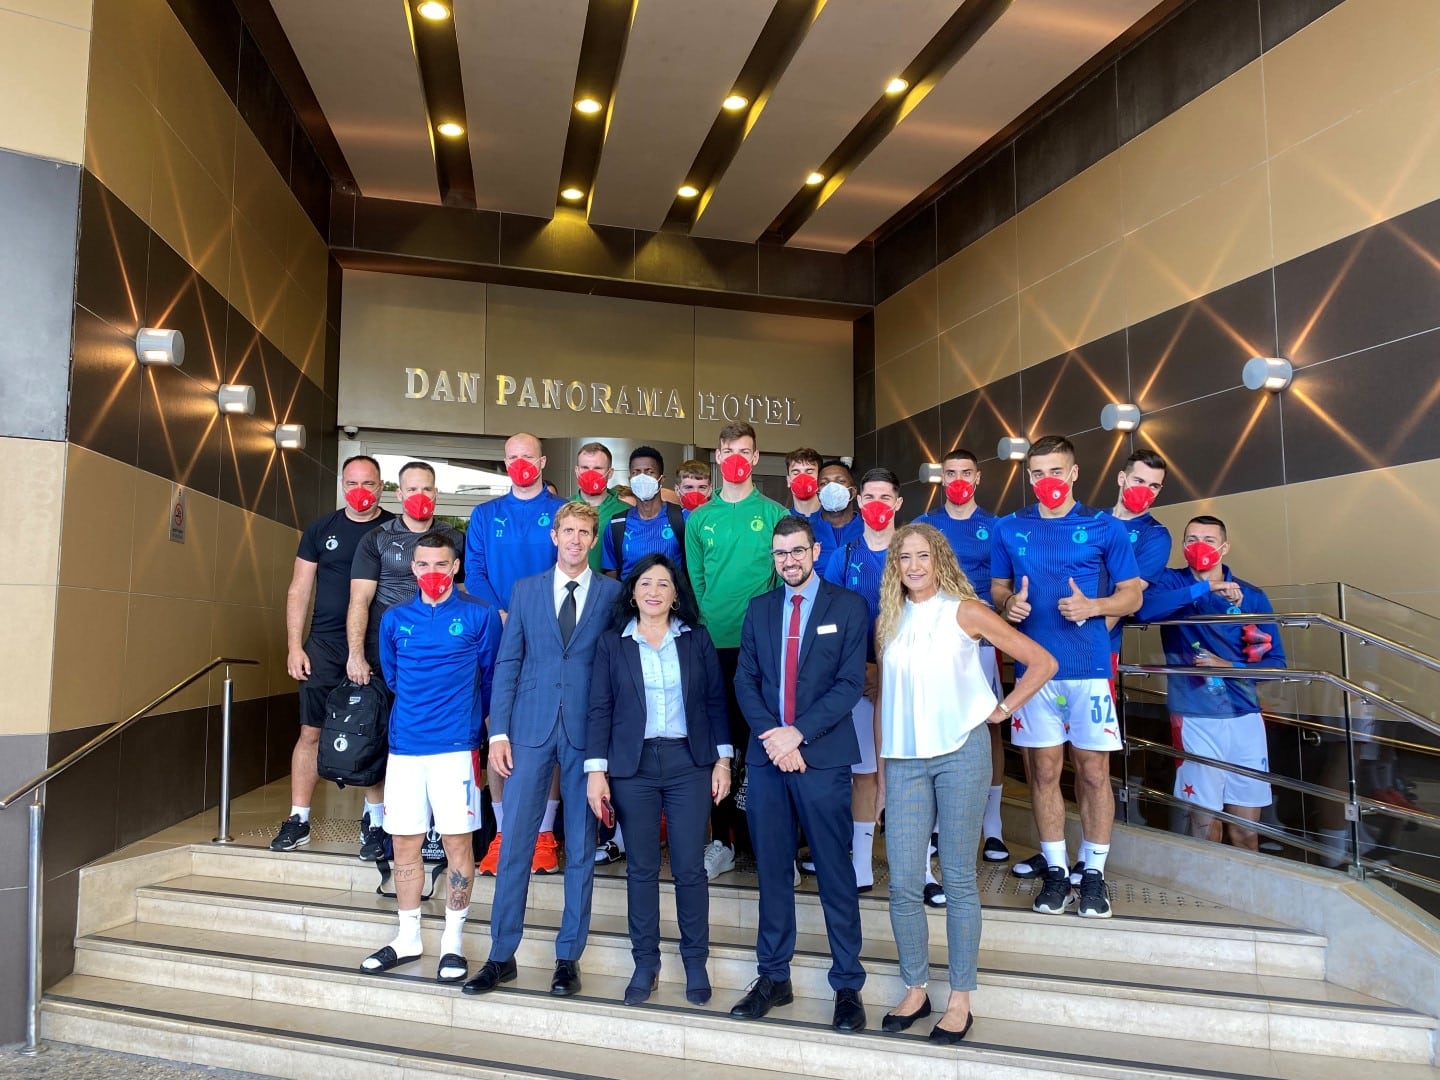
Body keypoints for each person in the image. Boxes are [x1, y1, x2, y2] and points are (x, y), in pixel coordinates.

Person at [875, 523, 1055, 1043]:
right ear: (895, 566)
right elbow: (885, 697)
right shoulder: (888, 619)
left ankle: (960, 998)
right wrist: (883, 775)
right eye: (904, 557)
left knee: (956, 877)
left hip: (961, 752)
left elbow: (1041, 661)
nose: (913, 566)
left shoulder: (966, 610)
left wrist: (1002, 709)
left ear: (940, 560)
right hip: (905, 760)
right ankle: (915, 988)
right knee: (904, 881)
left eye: (922, 556)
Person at [463, 502, 623, 998]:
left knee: (581, 847)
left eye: (584, 532)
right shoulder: (526, 590)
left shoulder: (612, 593)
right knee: (515, 842)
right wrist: (499, 732)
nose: (575, 539)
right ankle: (501, 955)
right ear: (554, 536)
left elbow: (618, 667)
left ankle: (568, 957)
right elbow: (509, 662)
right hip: (528, 730)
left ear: (593, 539)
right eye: (567, 530)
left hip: (586, 734)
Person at [991, 436, 1141, 919]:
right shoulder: (1008, 527)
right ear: (1028, 476)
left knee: (1094, 772)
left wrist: (1094, 606)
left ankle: (1093, 873)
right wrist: (1008, 605)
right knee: (1043, 771)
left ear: (1074, 473)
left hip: (1089, 669)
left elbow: (1132, 595)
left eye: (1056, 471)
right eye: (1038, 473)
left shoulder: (1104, 526)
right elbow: (998, 588)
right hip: (1033, 671)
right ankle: (1056, 870)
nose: (1047, 481)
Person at [730, 516, 869, 1033]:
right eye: (780, 553)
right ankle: (773, 977)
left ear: (814, 552)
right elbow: (745, 681)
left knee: (834, 871)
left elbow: (849, 683)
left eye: (796, 551)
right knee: (771, 871)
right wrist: (775, 737)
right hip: (769, 757)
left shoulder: (847, 606)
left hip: (821, 757)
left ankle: (848, 984)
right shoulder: (760, 608)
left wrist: (798, 734)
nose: (788, 560)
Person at [584, 555, 732, 1005]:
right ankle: (645, 963)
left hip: (690, 763)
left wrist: (723, 761)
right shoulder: (613, 643)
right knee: (642, 869)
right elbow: (600, 708)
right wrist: (596, 772)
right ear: (632, 593)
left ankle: (695, 961)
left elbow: (715, 701)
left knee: (690, 868)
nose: (653, 591)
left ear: (675, 594)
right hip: (634, 768)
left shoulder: (696, 639)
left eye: (663, 584)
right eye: (645, 583)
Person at [360, 531, 502, 983]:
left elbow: (490, 679)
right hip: (404, 749)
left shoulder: (480, 615)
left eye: (442, 564)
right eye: (424, 565)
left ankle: (452, 944)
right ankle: (408, 938)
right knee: (404, 842)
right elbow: (394, 677)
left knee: (458, 844)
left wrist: (471, 724)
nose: (432, 573)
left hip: (457, 750)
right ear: (413, 568)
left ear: (455, 567)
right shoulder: (394, 619)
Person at [1136, 516, 1285, 850]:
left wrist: (1228, 667)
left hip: (1245, 717)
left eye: (1208, 539)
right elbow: (1143, 611)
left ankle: (1246, 884)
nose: (1198, 546)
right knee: (1206, 828)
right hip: (1195, 717)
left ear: (1225, 547)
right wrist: (1205, 588)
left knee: (1245, 832)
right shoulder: (1170, 582)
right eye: (1191, 539)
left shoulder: (1251, 596)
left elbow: (1276, 664)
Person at [271, 456, 394, 853]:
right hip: (324, 645)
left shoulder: (392, 530)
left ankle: (375, 821)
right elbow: (299, 589)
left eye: (368, 483)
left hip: (374, 643)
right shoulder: (321, 529)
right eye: (352, 483)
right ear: (342, 485)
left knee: (373, 731)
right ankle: (298, 818)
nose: (360, 491)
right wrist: (294, 645)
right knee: (311, 731)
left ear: (381, 486)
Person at [684, 421, 789, 879]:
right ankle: (722, 842)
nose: (735, 459)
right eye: (727, 451)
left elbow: (782, 581)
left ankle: (771, 844)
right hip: (713, 648)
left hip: (762, 649)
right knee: (718, 746)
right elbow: (696, 584)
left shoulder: (774, 514)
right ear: (718, 456)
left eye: (743, 451)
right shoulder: (699, 519)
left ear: (755, 457)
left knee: (764, 744)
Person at [346, 461, 466, 860]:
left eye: (427, 489)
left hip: (439, 660)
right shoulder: (377, 539)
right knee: (377, 739)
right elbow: (360, 600)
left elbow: (463, 596)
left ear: (436, 494)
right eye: (412, 489)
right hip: (386, 655)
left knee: (433, 746)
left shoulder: (453, 538)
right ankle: (376, 821)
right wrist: (356, 655)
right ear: (398, 494)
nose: (420, 496)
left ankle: (432, 826)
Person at [464, 432, 566, 875]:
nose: (520, 463)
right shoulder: (485, 514)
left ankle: (543, 834)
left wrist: (534, 615)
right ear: (504, 463)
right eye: (512, 457)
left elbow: (569, 566)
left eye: (528, 456)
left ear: (542, 462)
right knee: (497, 729)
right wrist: (501, 613)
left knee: (550, 729)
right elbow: (475, 572)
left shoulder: (560, 512)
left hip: (549, 634)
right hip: (498, 633)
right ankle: (504, 832)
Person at [916, 448, 1009, 873]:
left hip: (981, 641)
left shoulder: (996, 526)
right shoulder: (925, 525)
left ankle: (993, 825)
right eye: (950, 472)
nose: (957, 479)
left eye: (965, 473)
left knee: (987, 726)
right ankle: (938, 823)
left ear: (977, 477)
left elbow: (1003, 584)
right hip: (935, 641)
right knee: (936, 722)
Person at [819, 467, 900, 892]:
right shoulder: (844, 556)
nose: (877, 505)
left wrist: (887, 671)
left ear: (898, 503)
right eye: (869, 497)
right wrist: (861, 671)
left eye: (885, 497)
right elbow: (828, 621)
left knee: (912, 772)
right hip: (858, 680)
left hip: (905, 680)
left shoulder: (914, 552)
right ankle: (861, 864)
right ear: (858, 501)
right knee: (864, 773)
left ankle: (920, 866)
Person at [1100, 450, 1173, 672]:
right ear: (1122, 478)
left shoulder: (1156, 535)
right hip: (1053, 635)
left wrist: (1090, 642)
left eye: (1154, 486)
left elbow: (1126, 596)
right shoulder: (1090, 521)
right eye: (1139, 481)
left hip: (1100, 645)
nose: (1145, 490)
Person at [601, 446, 685, 581]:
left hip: (672, 594)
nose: (642, 477)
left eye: (649, 472)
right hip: (629, 595)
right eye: (636, 472)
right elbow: (611, 577)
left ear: (661, 479)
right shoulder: (616, 525)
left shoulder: (682, 518)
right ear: (630, 479)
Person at [573, 441, 634, 573]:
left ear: (610, 473)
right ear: (576, 471)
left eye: (598, 468)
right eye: (585, 467)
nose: (590, 473)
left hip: (611, 584)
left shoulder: (626, 512)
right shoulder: (562, 508)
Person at [809, 459, 863, 568]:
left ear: (853, 491)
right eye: (824, 483)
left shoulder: (869, 531)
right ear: (818, 494)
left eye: (840, 481)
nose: (831, 488)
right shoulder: (805, 532)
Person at [785, 447, 823, 517]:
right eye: (796, 473)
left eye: (809, 472)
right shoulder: (780, 518)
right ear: (788, 481)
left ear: (820, 479)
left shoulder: (835, 518)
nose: (802, 478)